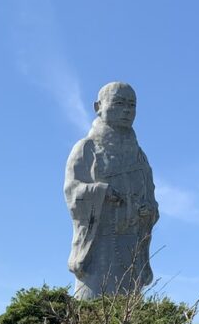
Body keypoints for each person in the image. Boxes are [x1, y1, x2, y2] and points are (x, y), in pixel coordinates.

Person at [64, 81, 159, 299]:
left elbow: (152, 200)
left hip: (131, 244)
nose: (127, 110)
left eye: (132, 105)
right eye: (118, 103)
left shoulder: (139, 157)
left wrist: (148, 210)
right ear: (98, 106)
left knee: (129, 314)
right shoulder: (87, 148)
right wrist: (101, 192)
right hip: (99, 244)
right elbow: (72, 191)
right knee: (92, 314)